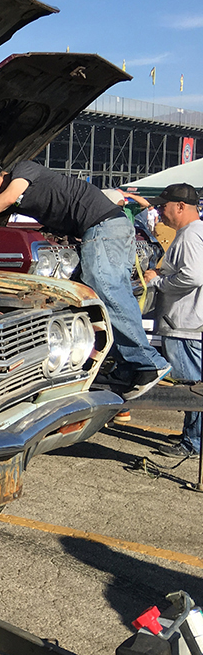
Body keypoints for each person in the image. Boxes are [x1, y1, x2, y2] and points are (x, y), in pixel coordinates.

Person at [0, 156, 170, 399]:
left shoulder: (24, 169)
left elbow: (5, 198)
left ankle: (149, 363)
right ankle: (128, 367)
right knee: (112, 296)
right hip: (110, 228)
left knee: (107, 291)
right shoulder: (15, 198)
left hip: (103, 227)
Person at [142, 183, 203, 458]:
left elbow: (192, 276)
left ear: (180, 207)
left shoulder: (190, 236)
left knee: (191, 388)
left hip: (185, 325)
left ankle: (193, 442)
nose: (160, 211)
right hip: (190, 322)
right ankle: (193, 435)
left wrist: (159, 282)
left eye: (163, 206)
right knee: (195, 385)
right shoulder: (195, 233)